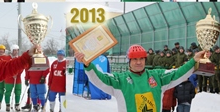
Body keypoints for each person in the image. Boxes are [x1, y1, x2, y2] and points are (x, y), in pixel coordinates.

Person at [75, 44, 206, 112]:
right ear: (129, 61)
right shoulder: (119, 80)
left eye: (141, 59)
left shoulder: (157, 76)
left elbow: (177, 73)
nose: (139, 62)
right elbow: (100, 78)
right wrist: (88, 64)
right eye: (135, 59)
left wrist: (193, 60)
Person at [4, 44, 22, 112]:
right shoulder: (7, 58)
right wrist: (12, 74)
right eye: (14, 50)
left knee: (18, 92)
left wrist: (18, 73)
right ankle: (7, 105)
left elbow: (22, 67)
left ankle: (17, 104)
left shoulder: (19, 59)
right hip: (9, 79)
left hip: (18, 79)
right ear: (12, 51)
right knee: (8, 92)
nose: (16, 52)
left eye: (17, 50)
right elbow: (6, 68)